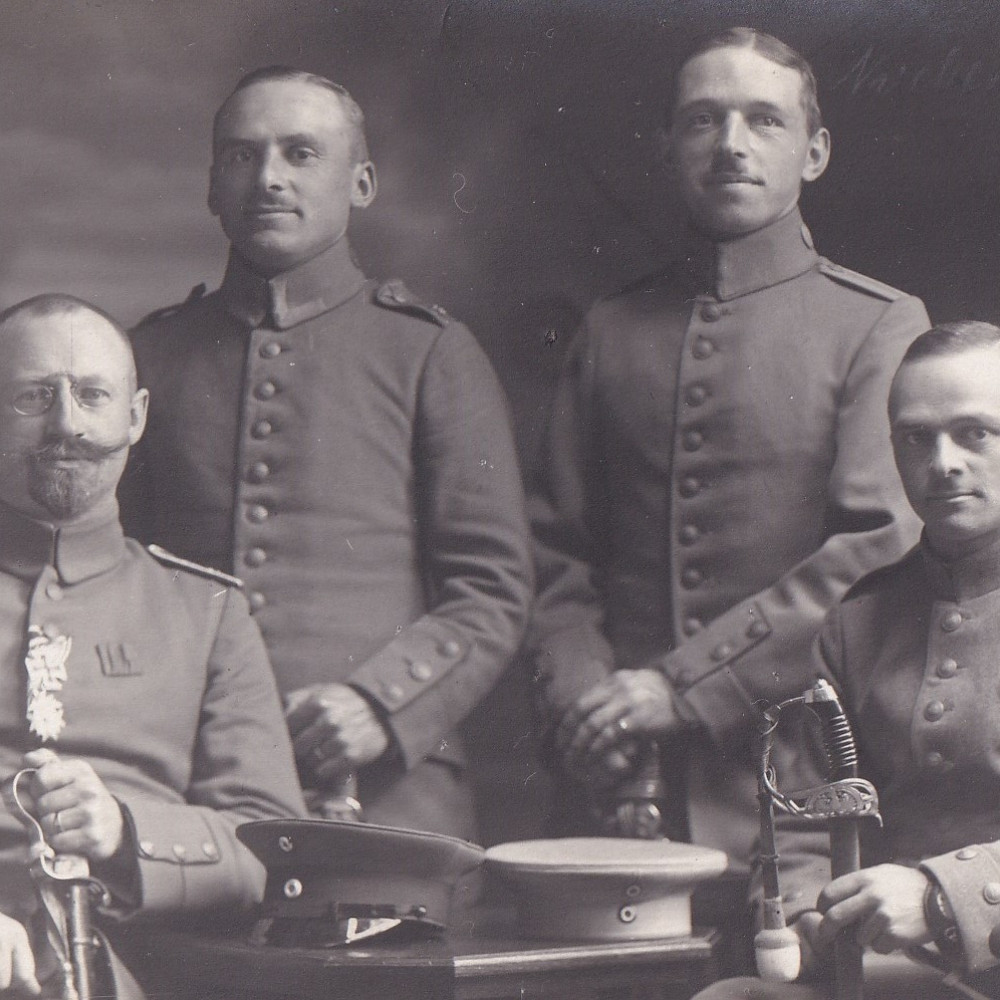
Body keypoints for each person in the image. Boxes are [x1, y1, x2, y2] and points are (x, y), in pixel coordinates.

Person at [528, 27, 930, 865]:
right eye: (703, 121)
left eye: (764, 121)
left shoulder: (876, 326)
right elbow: (555, 556)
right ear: (671, 146)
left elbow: (873, 548)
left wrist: (684, 688)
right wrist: (586, 708)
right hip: (614, 793)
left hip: (793, 790)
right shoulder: (609, 329)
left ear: (814, 152)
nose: (732, 145)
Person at [121, 67, 532, 839]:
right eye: (242, 156)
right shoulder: (152, 356)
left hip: (386, 794)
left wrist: (381, 702)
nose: (269, 178)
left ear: (363, 182)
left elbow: (494, 589)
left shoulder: (429, 352)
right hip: (185, 793)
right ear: (213, 187)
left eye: (301, 153)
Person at [0, 294, 304, 996]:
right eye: (32, 398)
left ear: (133, 418)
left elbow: (273, 844)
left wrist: (124, 832)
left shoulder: (206, 611)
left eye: (92, 396)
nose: (67, 424)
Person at [693, 320, 1000, 998]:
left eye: (975, 433)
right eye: (918, 438)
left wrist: (945, 896)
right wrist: (807, 915)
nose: (943, 461)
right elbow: (802, 815)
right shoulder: (859, 619)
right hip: (893, 975)